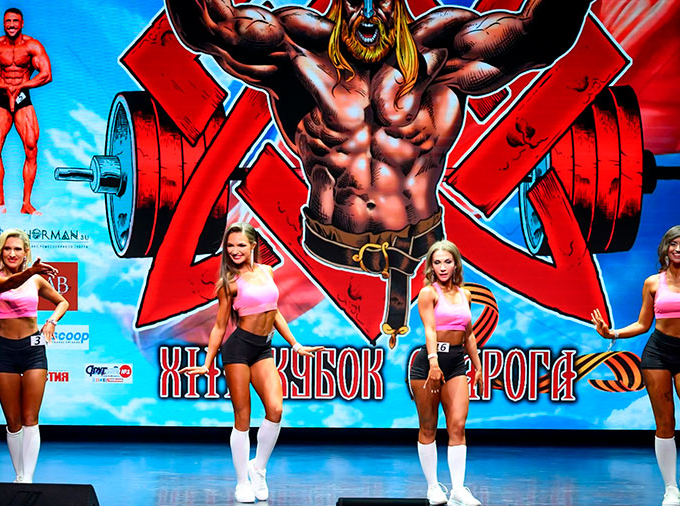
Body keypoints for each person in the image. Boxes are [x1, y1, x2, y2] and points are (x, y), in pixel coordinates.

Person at [166, 0, 593, 340]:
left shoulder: (444, 50)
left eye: (383, 2)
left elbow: (540, 35)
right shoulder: (297, 51)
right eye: (355, 2)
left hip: (426, 265)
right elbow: (210, 27)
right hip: (321, 266)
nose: (369, 13)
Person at [186, 223, 323, 503]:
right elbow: (219, 326)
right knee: (243, 418)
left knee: (276, 409)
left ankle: (258, 468)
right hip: (237, 350)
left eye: (240, 245)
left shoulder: (266, 271)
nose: (235, 250)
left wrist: (296, 344)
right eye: (230, 245)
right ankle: (241, 483)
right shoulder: (229, 283)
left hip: (263, 349)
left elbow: (274, 312)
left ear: (253, 246)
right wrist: (207, 362)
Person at [592, 226, 680, 506]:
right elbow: (643, 324)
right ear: (666, 248)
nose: (678, 249)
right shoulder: (653, 283)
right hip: (658, 355)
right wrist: (611, 333)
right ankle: (670, 489)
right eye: (673, 244)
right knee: (665, 423)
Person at [0, 229, 68, 483]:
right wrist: (31, 271)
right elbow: (9, 285)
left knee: (31, 418)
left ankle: (27, 480)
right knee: (13, 421)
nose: (12, 253)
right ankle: (19, 475)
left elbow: (62, 302)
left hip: (33, 350)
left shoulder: (36, 281)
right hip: (6, 352)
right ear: (1, 251)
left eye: (17, 249)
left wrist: (51, 321)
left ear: (25, 252)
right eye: (7, 248)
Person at [409, 240, 482, 506]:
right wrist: (433, 362)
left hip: (456, 363)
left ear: (455, 264)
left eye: (447, 262)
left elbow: (468, 334)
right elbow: (430, 329)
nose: (442, 267)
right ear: (431, 265)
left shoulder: (465, 295)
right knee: (428, 426)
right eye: (437, 262)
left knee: (458, 426)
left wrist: (478, 366)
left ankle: (458, 491)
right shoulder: (428, 293)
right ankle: (433, 487)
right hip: (428, 364)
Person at [0, 8, 52, 214]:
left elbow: (46, 74)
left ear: (22, 23)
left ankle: (26, 204)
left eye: (15, 21)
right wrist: (5, 87)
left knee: (31, 147)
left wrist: (21, 86)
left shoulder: (32, 46)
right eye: (8, 21)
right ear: (4, 23)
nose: (11, 24)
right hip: (2, 98)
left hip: (22, 98)